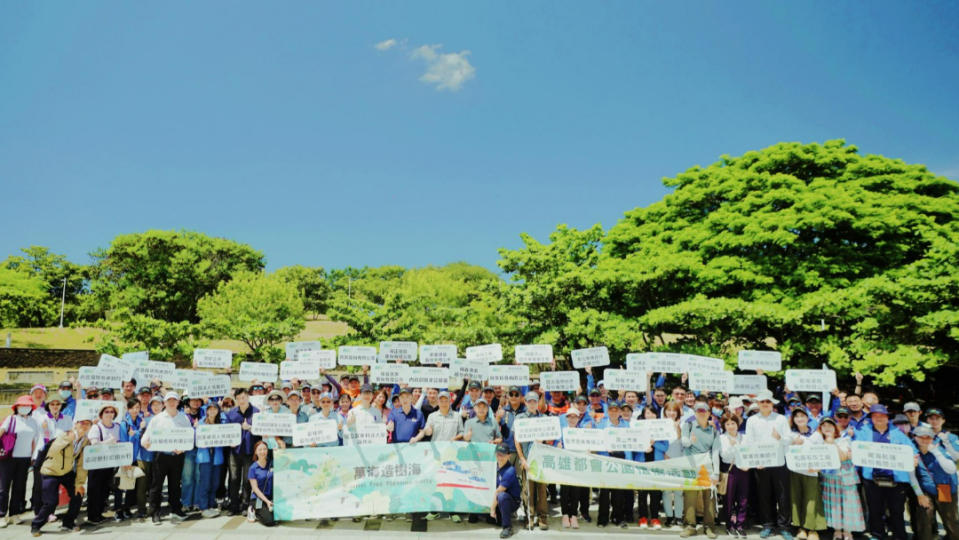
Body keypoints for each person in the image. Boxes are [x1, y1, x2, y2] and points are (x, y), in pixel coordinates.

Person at [853, 404, 923, 540]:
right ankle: (877, 534)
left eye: (882, 415)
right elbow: (856, 449)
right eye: (875, 416)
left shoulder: (897, 433)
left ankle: (899, 536)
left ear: (887, 417)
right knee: (875, 510)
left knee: (896, 511)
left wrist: (914, 458)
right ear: (871, 418)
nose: (878, 418)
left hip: (895, 481)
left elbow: (912, 450)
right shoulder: (863, 432)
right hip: (872, 479)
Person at [29, 417, 92, 537]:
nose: (84, 426)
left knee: (78, 494)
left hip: (66, 472)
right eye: (82, 423)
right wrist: (67, 440)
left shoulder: (85, 441)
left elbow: (81, 464)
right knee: (51, 502)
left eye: (88, 424)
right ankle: (36, 525)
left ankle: (68, 522)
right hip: (50, 471)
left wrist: (80, 483)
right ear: (76, 424)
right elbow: (52, 451)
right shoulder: (65, 435)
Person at [744, 390, 793, 540]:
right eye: (762, 402)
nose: (765, 404)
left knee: (783, 495)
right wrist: (754, 461)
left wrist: (780, 438)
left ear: (772, 404)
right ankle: (768, 525)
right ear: (758, 404)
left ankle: (784, 527)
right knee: (764, 495)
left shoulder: (781, 419)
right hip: (761, 463)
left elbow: (789, 439)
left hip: (779, 462)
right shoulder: (752, 420)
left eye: (768, 402)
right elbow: (749, 442)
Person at [142, 391, 193, 525]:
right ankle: (155, 512)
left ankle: (176, 509)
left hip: (177, 456)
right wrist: (146, 444)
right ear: (164, 403)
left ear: (178, 402)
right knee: (156, 485)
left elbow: (190, 437)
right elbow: (145, 439)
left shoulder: (184, 418)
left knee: (175, 485)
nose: (171, 403)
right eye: (169, 400)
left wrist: (183, 448)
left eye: (174, 400)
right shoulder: (157, 419)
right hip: (161, 456)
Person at [680, 401, 721, 538]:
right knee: (690, 497)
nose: (701, 414)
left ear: (709, 413)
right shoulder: (689, 425)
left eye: (704, 411)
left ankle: (709, 527)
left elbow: (715, 452)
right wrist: (690, 441)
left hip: (707, 466)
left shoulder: (714, 430)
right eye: (698, 411)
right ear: (695, 413)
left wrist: (716, 472)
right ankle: (690, 526)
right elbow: (684, 442)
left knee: (709, 498)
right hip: (691, 466)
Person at [819, 417, 865, 540]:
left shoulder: (844, 439)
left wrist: (831, 441)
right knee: (834, 504)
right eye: (824, 425)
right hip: (830, 478)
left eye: (830, 425)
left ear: (835, 427)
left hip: (846, 476)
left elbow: (843, 457)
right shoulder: (819, 442)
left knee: (848, 503)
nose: (827, 428)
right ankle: (837, 529)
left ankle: (848, 531)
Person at [514, 391, 551, 531]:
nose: (532, 404)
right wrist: (522, 459)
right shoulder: (520, 418)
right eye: (529, 401)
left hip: (540, 460)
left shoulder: (544, 418)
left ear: (538, 403)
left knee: (542, 490)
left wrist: (543, 439)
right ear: (525, 402)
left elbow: (549, 438)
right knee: (527, 490)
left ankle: (542, 517)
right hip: (527, 460)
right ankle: (530, 517)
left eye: (534, 401)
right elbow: (516, 440)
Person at [913, 425, 958, 540]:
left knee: (950, 520)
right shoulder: (913, 451)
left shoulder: (940, 449)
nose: (924, 440)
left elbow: (951, 469)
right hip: (926, 490)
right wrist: (920, 494)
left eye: (928, 437)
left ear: (932, 439)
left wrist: (936, 452)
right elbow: (911, 475)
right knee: (924, 517)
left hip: (945, 489)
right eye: (921, 437)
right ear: (915, 437)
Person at [0, 395, 39, 527]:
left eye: (27, 406)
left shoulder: (33, 422)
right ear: (16, 407)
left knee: (19, 488)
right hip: (8, 458)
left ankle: (14, 514)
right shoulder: (11, 419)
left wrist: (33, 457)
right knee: (3, 488)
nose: (24, 408)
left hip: (25, 459)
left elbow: (34, 440)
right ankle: (1, 514)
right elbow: (1, 432)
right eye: (21, 406)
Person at [788, 408, 826, 540]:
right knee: (796, 499)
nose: (799, 418)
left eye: (802, 416)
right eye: (796, 416)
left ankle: (812, 529)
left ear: (808, 418)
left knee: (812, 500)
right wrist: (793, 443)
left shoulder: (816, 434)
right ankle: (801, 527)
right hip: (795, 471)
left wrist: (818, 468)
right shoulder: (790, 434)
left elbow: (822, 453)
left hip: (812, 472)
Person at [225, 388, 259, 516]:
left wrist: (250, 428)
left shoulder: (256, 412)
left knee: (246, 480)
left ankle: (245, 505)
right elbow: (226, 431)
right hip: (235, 451)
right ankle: (233, 506)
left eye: (243, 397)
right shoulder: (231, 413)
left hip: (250, 451)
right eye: (238, 398)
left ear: (248, 397)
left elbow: (262, 431)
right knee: (233, 479)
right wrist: (229, 441)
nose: (241, 400)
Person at [85, 402, 121, 526]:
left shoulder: (117, 426)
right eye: (107, 412)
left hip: (109, 463)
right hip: (96, 464)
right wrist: (108, 442)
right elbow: (94, 444)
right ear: (101, 414)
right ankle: (92, 516)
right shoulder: (96, 427)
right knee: (94, 490)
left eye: (112, 412)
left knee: (104, 490)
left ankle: (99, 514)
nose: (109, 414)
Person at [719, 413, 748, 538]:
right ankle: (730, 524)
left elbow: (749, 452)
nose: (731, 426)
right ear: (724, 426)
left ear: (738, 424)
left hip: (744, 469)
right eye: (728, 424)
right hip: (729, 469)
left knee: (743, 498)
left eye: (733, 423)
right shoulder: (721, 438)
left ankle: (740, 524)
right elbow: (724, 456)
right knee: (729, 498)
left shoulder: (744, 437)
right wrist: (733, 446)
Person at [195, 401, 225, 518]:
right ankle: (203, 506)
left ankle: (211, 504)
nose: (212, 411)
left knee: (215, 482)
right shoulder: (201, 423)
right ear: (206, 410)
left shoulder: (222, 423)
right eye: (210, 409)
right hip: (205, 456)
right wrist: (196, 430)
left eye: (215, 409)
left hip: (217, 456)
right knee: (205, 482)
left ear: (218, 411)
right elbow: (195, 440)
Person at [662, 401, 685, 528]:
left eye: (674, 411)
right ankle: (669, 516)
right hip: (665, 461)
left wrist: (677, 427)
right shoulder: (659, 425)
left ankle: (679, 516)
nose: (671, 413)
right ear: (664, 412)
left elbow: (682, 441)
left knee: (678, 491)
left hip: (679, 461)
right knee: (666, 491)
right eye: (669, 410)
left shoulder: (683, 424)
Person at [491, 444, 521, 539]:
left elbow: (499, 491)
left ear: (509, 456)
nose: (499, 457)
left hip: (512, 501)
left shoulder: (510, 471)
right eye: (498, 454)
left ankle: (507, 527)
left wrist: (492, 509)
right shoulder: (493, 467)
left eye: (503, 455)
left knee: (502, 496)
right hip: (498, 500)